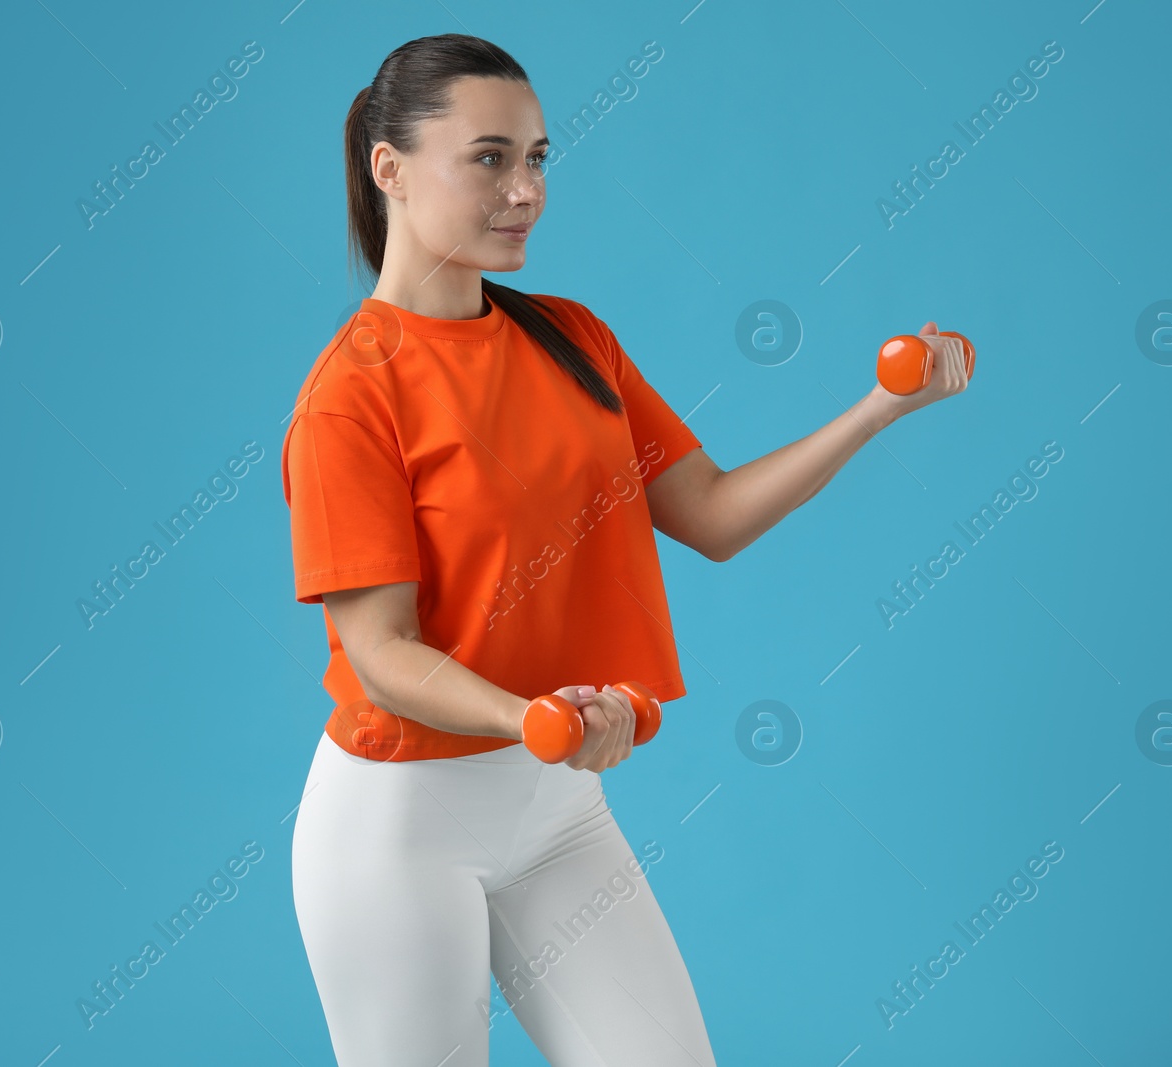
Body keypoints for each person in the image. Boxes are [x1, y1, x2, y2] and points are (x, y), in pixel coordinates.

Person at [283, 32, 969, 1067]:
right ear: (390, 168)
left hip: (556, 810)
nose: (526, 189)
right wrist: (529, 714)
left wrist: (879, 407)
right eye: (489, 157)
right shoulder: (353, 393)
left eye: (538, 157)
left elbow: (713, 513)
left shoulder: (572, 338)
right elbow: (381, 651)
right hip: (399, 826)